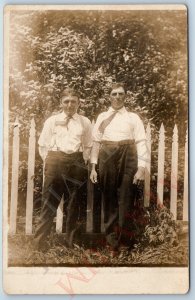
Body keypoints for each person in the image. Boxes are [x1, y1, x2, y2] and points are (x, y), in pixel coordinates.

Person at [90, 83, 147, 250]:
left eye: (120, 94)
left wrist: (142, 167)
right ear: (109, 96)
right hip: (107, 155)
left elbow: (141, 142)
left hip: (128, 154)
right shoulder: (102, 117)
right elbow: (95, 143)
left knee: (126, 198)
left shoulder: (133, 118)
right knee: (108, 197)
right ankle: (111, 241)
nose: (117, 97)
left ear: (125, 96)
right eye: (114, 94)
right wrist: (94, 166)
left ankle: (124, 243)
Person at [34, 88, 92, 251]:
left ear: (78, 103)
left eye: (73, 101)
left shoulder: (84, 122)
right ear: (61, 103)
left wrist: (82, 160)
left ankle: (70, 243)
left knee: (74, 203)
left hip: (76, 162)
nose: (70, 105)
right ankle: (39, 244)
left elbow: (88, 145)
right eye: (66, 101)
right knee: (49, 202)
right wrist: (51, 160)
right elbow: (43, 145)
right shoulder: (52, 121)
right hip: (55, 160)